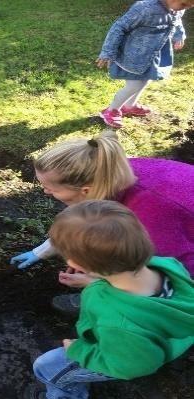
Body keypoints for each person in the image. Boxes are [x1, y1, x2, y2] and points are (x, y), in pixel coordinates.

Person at [23, 200, 194, 399]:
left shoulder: (117, 320)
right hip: (173, 337)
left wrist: (81, 351)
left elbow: (133, 365)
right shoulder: (167, 265)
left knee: (47, 367)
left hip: (128, 355)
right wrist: (94, 281)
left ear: (75, 262)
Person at [10, 130, 194, 314]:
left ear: (85, 190)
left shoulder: (150, 218)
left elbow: (175, 278)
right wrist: (41, 251)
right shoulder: (108, 170)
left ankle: (106, 302)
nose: (46, 192)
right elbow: (82, 216)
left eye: (50, 188)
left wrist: (100, 285)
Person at [97, 0, 193, 128]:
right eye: (184, 4)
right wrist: (108, 51)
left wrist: (179, 35)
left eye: (190, 6)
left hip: (153, 53)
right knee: (134, 85)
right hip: (134, 54)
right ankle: (111, 110)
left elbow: (176, 20)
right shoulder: (145, 8)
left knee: (146, 80)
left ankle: (130, 105)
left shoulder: (177, 8)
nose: (186, 8)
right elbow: (119, 27)